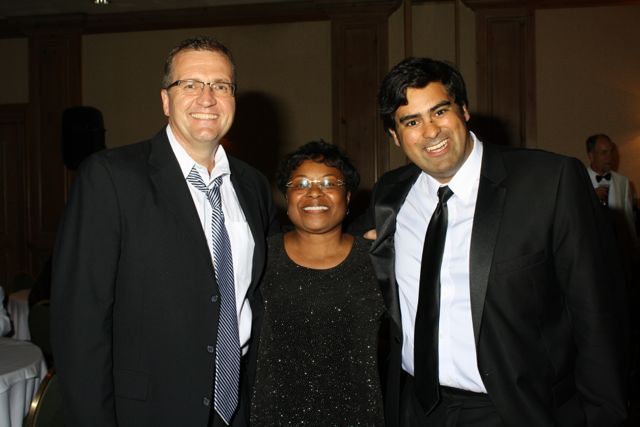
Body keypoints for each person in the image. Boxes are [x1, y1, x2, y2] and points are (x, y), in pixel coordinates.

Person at [366, 57, 628, 426]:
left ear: (464, 110)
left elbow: (597, 313)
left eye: (440, 111)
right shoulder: (389, 194)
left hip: (515, 410)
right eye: (411, 121)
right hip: (416, 408)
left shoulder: (549, 181)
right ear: (395, 137)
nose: (431, 131)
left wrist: (604, 416)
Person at [51, 36, 277, 427]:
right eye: (190, 84)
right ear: (165, 100)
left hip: (238, 406)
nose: (207, 98)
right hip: (146, 411)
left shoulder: (253, 186)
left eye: (220, 86)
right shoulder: (111, 178)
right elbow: (79, 324)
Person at [250, 141, 385, 425]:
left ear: (348, 197)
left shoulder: (379, 260)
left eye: (328, 183)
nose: (314, 192)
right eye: (300, 184)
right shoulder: (258, 257)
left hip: (361, 416)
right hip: (271, 416)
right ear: (287, 198)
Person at [586, 133, 637, 239]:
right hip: (590, 244)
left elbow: (628, 221)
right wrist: (591, 199)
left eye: (611, 152)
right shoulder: (579, 179)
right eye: (604, 153)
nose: (610, 157)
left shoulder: (622, 181)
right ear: (591, 156)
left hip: (617, 245)